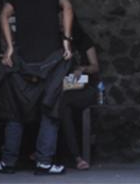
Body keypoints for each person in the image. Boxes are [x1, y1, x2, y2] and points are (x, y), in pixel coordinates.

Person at [0, 0, 74, 176]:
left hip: (23, 61)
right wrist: (66, 39)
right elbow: (68, 7)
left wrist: (9, 48)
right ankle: (44, 163)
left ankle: (8, 163)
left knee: (15, 112)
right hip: (51, 60)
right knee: (49, 110)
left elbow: (3, 15)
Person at [56, 19, 100, 170]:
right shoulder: (57, 40)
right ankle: (75, 156)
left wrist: (82, 69)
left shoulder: (84, 40)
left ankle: (73, 156)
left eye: (64, 20)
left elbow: (95, 67)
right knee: (60, 104)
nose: (61, 24)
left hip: (87, 87)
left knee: (62, 102)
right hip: (67, 88)